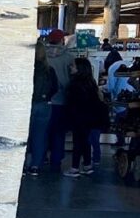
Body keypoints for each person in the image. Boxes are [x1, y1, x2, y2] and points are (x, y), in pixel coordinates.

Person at [64, 57, 109, 177]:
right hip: (90, 118)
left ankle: (74, 168)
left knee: (78, 142)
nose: (71, 67)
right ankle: (87, 165)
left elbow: (73, 103)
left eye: (73, 66)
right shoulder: (90, 82)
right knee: (85, 142)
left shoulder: (75, 84)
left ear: (79, 69)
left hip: (79, 118)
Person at [25, 42, 58, 176]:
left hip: (28, 104)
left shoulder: (26, 69)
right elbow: (55, 87)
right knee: (40, 137)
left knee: (25, 136)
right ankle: (35, 166)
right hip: (45, 105)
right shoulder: (49, 70)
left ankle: (22, 165)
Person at [45, 29, 73, 173]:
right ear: (62, 40)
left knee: (42, 132)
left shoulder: (41, 56)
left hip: (43, 100)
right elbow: (73, 77)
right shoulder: (68, 57)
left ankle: (40, 158)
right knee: (58, 133)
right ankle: (56, 161)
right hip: (61, 100)